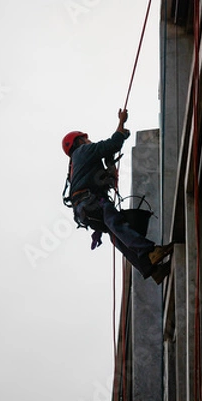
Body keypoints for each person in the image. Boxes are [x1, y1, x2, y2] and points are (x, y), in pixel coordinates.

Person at [62, 108, 173, 284]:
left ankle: (151, 270)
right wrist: (121, 123)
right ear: (80, 141)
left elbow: (106, 176)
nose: (89, 140)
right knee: (118, 224)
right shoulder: (83, 151)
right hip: (92, 203)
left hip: (85, 208)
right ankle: (149, 251)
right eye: (85, 138)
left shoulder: (78, 165)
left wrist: (110, 161)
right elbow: (110, 145)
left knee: (117, 236)